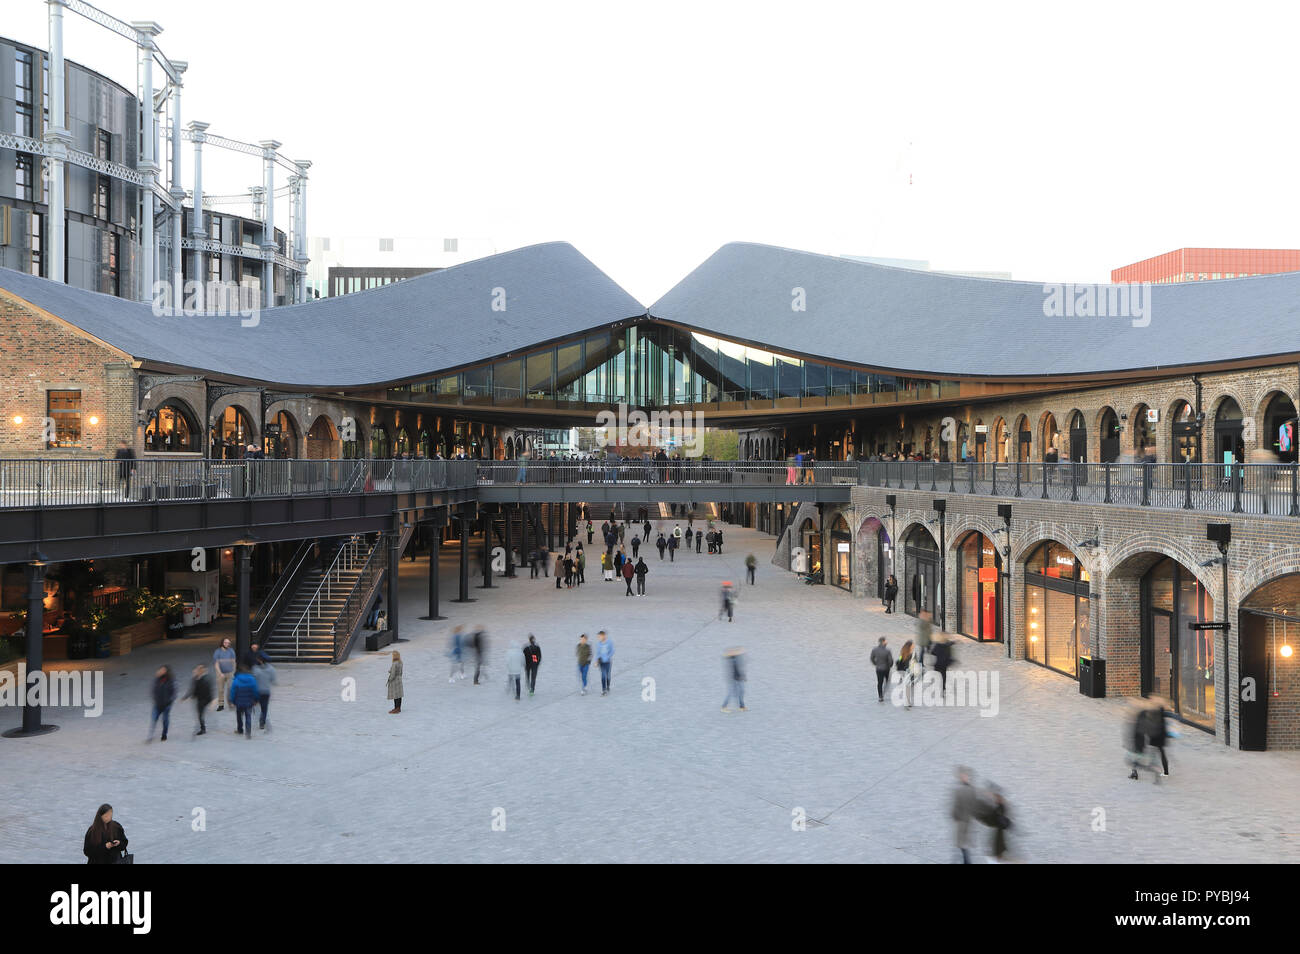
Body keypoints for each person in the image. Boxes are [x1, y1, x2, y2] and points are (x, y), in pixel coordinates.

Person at [951, 766, 982, 864]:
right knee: (963, 846)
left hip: (964, 822)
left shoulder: (962, 791)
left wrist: (956, 815)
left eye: (964, 775)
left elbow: (958, 807)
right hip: (965, 822)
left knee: (963, 846)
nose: (962, 777)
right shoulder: (968, 790)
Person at [228, 663, 260, 738]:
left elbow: (233, 692)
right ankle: (248, 733)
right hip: (249, 702)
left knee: (239, 716)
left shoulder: (236, 680)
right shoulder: (252, 679)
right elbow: (255, 691)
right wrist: (256, 700)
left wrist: (232, 701)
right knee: (248, 716)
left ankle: (240, 730)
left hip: (239, 702)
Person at [182, 663, 214, 735]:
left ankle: (203, 729)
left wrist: (211, 701)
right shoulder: (195, 678)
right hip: (199, 699)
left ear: (203, 670)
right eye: (197, 669)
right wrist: (185, 697)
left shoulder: (206, 678)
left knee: (200, 714)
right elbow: (192, 689)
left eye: (200, 669)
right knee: (200, 714)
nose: (198, 670)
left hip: (205, 699)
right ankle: (203, 728)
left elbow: (209, 690)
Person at [147, 665, 175, 742]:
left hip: (166, 705)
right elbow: (153, 690)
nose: (161, 671)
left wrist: (169, 701)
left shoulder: (170, 681)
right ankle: (150, 736)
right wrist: (155, 699)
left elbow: (173, 693)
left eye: (163, 670)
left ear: (166, 672)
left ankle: (164, 734)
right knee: (154, 719)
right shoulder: (156, 680)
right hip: (157, 704)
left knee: (165, 721)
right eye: (160, 670)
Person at [252, 655, 277, 730]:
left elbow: (253, 680)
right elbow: (273, 680)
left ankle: (258, 721)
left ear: (260, 660)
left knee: (256, 708)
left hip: (257, 692)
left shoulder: (255, 668)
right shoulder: (271, 669)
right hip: (266, 692)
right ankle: (262, 723)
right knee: (264, 708)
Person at [721, 647, 747, 712]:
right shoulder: (730, 659)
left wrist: (743, 676)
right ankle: (723, 707)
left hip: (739, 678)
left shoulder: (738, 657)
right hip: (733, 679)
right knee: (730, 693)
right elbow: (733, 670)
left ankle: (742, 706)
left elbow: (740, 668)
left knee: (741, 692)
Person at [213, 637, 236, 711]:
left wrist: (233, 671)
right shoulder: (217, 651)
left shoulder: (231, 651)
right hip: (220, 674)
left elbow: (233, 662)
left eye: (228, 643)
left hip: (230, 673)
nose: (227, 644)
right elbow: (216, 664)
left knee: (230, 688)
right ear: (222, 643)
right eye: (225, 642)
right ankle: (221, 705)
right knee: (220, 690)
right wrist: (220, 673)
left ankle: (231, 703)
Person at [870, 637, 893, 702]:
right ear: (883, 642)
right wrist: (890, 665)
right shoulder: (888, 650)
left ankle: (880, 696)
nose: (887, 642)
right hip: (886, 668)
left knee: (879, 682)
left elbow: (872, 658)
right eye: (886, 641)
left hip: (878, 669)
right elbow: (890, 660)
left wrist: (875, 664)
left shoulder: (874, 650)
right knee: (887, 680)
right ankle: (884, 692)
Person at [896, 640, 914, 708]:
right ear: (910, 646)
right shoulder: (911, 655)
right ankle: (907, 702)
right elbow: (912, 664)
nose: (913, 646)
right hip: (908, 672)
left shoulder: (902, 653)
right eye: (912, 645)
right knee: (907, 687)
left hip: (903, 671)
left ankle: (907, 701)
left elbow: (900, 661)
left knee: (907, 687)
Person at [595, 630, 614, 695]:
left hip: (608, 662)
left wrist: (608, 657)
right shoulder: (598, 644)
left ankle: (608, 685)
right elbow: (597, 653)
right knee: (603, 675)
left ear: (603, 636)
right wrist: (596, 661)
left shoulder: (609, 642)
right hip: (601, 662)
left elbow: (612, 651)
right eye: (598, 637)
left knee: (608, 676)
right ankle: (604, 690)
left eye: (599, 636)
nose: (599, 638)